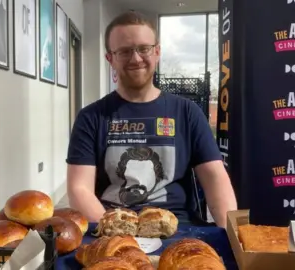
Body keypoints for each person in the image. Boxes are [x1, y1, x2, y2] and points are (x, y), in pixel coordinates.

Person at [66, 11, 237, 228]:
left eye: (144, 49)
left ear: (157, 52)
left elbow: (216, 179)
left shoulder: (187, 112)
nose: (136, 58)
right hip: (112, 228)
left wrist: (231, 239)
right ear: (110, 58)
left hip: (178, 230)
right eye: (125, 51)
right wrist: (118, 236)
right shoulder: (90, 117)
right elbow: (78, 189)